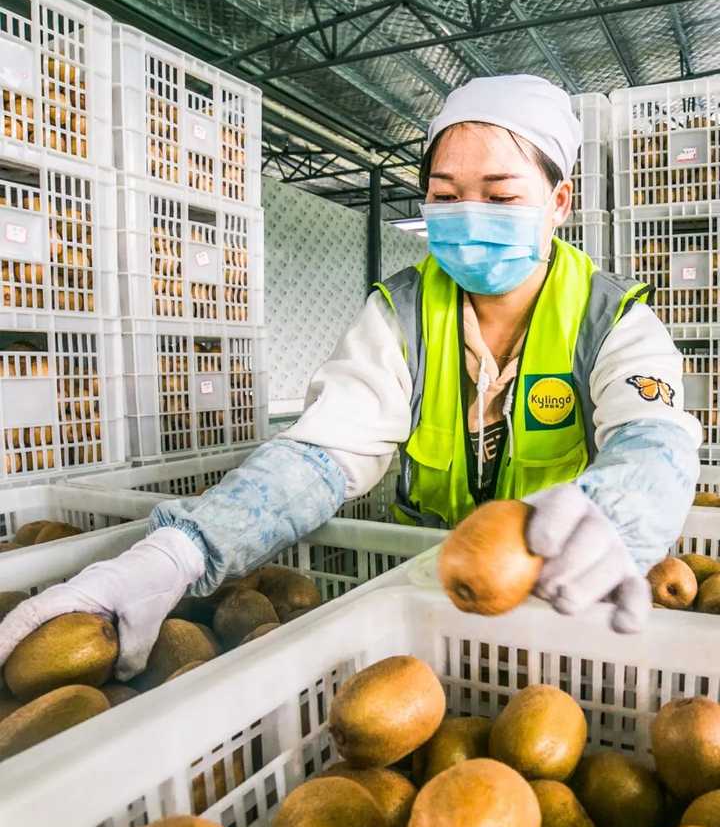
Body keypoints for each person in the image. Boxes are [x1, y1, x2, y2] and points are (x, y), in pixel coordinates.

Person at [0, 75, 701, 678]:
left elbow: (655, 440)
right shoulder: (399, 313)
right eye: (445, 194)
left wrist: (616, 515)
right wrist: (181, 551)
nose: (468, 215)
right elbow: (320, 456)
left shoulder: (611, 318)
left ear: (559, 202)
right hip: (423, 597)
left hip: (569, 602)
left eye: (500, 194)